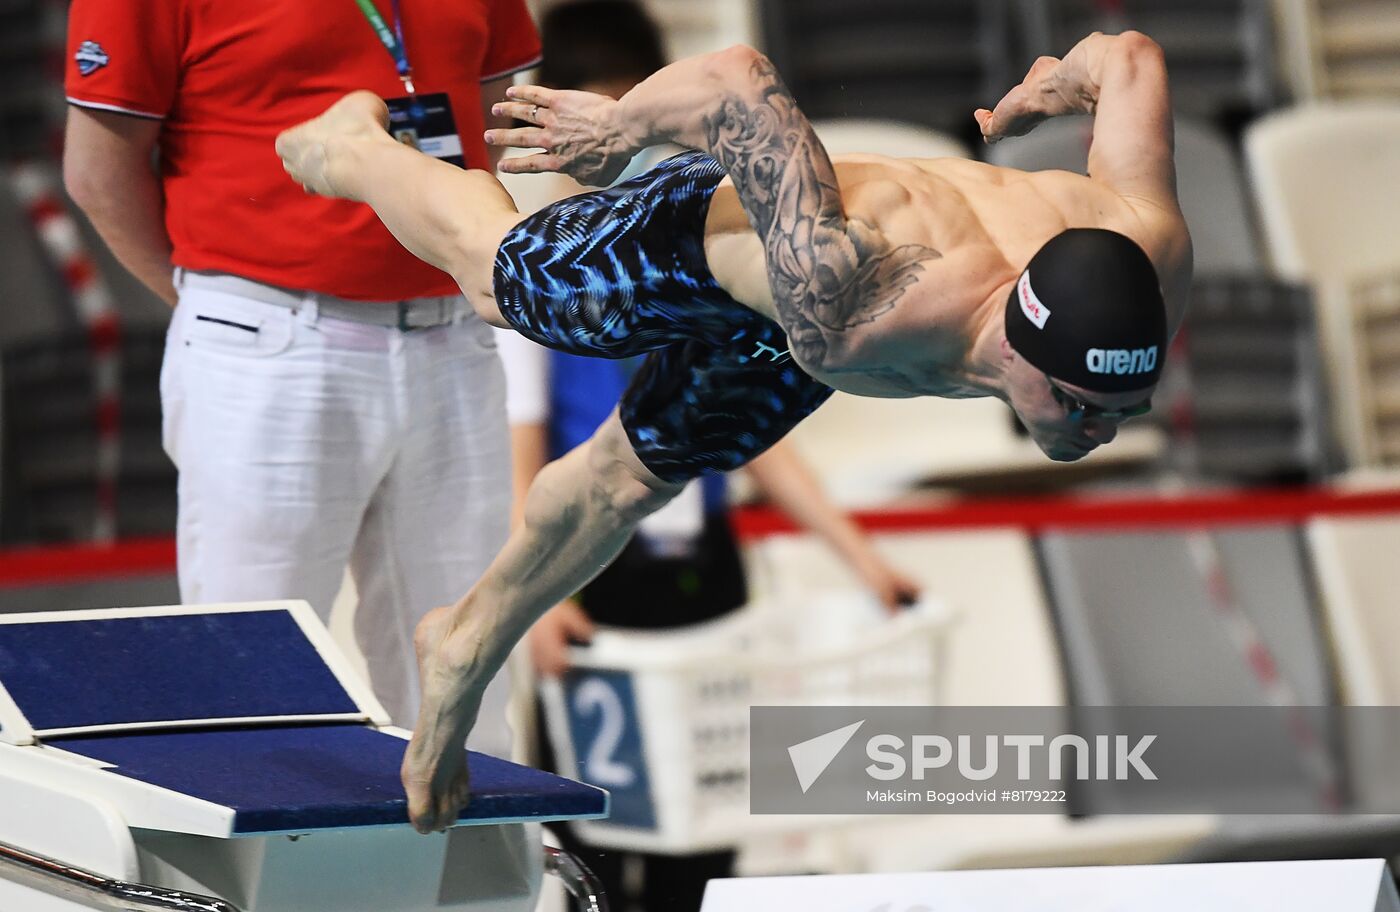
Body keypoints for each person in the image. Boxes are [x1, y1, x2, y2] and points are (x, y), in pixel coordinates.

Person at [274, 29, 1192, 831]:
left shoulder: (1149, 253)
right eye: (1076, 404)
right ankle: (360, 148)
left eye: (1122, 410)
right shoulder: (857, 291)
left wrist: (1049, 90)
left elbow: (1133, 60)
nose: (1097, 432)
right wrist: (619, 128)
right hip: (738, 246)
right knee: (498, 283)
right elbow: (736, 82)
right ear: (1019, 343)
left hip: (794, 341)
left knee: (633, 476)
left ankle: (465, 638)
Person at [61, 0, 542, 754]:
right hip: (268, 341)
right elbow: (97, 170)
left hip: (451, 337)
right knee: (251, 684)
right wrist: (218, 302)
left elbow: (487, 116)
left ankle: (462, 871)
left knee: (470, 681)